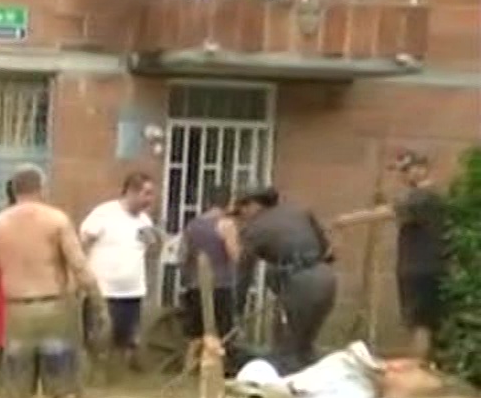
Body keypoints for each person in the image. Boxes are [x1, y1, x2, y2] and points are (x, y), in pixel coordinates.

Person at [0, 165, 98, 398]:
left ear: (14, 190)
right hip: (56, 310)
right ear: (41, 188)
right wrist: (100, 304)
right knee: (63, 389)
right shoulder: (57, 220)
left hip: (16, 314)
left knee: (17, 391)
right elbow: (80, 267)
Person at [334, 151, 448, 363]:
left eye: (406, 170)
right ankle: (423, 367)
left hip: (421, 267)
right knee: (418, 322)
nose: (402, 176)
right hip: (421, 265)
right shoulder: (422, 195)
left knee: (420, 323)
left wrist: (347, 219)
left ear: (422, 168)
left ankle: (418, 370)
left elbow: (388, 212)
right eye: (400, 171)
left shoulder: (422, 196)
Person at [234, 185, 337, 374]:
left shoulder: (255, 229)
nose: (241, 217)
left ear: (253, 205)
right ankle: (310, 380)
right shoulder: (300, 212)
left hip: (300, 285)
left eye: (241, 210)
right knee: (304, 343)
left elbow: (243, 274)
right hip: (326, 278)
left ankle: (289, 386)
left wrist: (236, 311)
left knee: (288, 347)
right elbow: (327, 251)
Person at [78, 172, 161, 378]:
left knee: (124, 338)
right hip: (104, 290)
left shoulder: (144, 220)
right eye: (146, 194)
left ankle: (116, 376)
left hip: (132, 291)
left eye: (152, 194)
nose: (150, 199)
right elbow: (83, 243)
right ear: (131, 191)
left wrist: (156, 242)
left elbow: (151, 251)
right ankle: (95, 374)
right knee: (99, 336)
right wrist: (81, 276)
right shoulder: (104, 214)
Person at [177, 184, 241, 373]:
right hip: (220, 285)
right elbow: (234, 254)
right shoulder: (226, 224)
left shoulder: (192, 224)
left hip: (194, 284)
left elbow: (183, 254)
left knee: (195, 334)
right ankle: (216, 370)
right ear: (229, 203)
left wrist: (187, 276)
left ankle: (188, 368)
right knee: (220, 332)